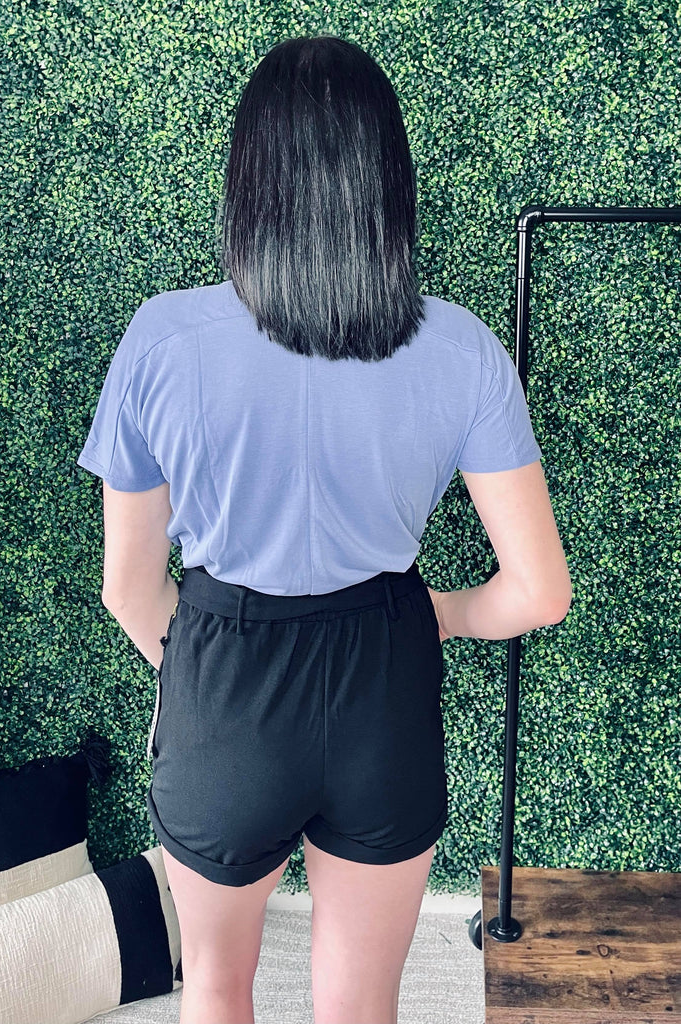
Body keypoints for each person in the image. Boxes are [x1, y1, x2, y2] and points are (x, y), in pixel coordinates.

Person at [76, 33, 572, 1024]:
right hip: (381, 677)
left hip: (223, 678)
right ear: (386, 181)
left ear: (248, 179)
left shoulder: (162, 338)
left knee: (215, 989)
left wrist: (201, 675)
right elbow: (538, 594)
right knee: (358, 1005)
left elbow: (128, 589)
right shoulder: (464, 348)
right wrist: (437, 613)